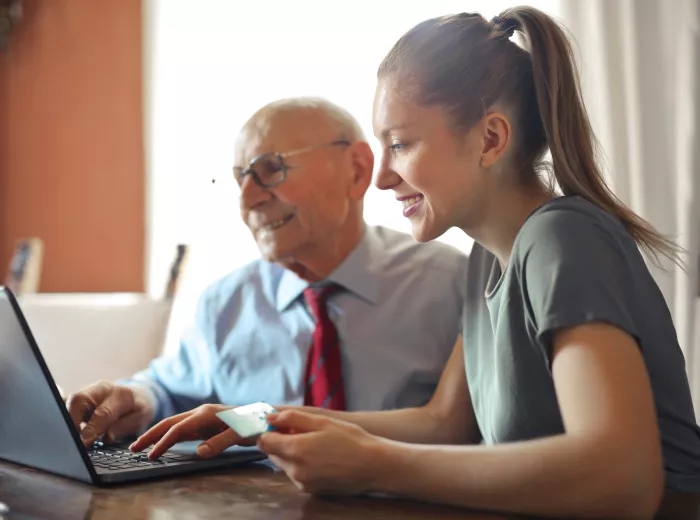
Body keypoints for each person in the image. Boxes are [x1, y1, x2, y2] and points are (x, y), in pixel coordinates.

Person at [132, 6, 700, 518]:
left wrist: (374, 464)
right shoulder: (486, 258)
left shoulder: (562, 239)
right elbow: (444, 424)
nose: (381, 177)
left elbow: (622, 480)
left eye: (400, 144)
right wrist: (253, 419)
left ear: (491, 138)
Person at [66, 97, 468, 447]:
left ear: (357, 170)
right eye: (241, 178)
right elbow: (170, 390)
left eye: (270, 169)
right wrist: (136, 399)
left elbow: (465, 430)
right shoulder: (226, 302)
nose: (248, 200)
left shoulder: (450, 284)